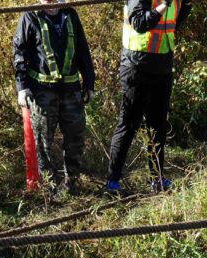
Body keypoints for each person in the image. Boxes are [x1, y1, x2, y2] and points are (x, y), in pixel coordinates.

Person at [105, 0, 191, 194]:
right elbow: (139, 23)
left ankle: (157, 179)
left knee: (157, 125)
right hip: (137, 65)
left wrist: (186, 5)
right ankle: (112, 182)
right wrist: (163, 5)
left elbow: (174, 24)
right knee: (128, 124)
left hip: (163, 65)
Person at [13, 0, 95, 196]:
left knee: (75, 138)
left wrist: (89, 84)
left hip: (71, 90)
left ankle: (71, 183)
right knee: (43, 142)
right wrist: (22, 88)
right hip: (41, 92)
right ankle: (49, 187)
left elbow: (83, 51)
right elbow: (19, 53)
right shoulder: (30, 16)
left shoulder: (71, 14)